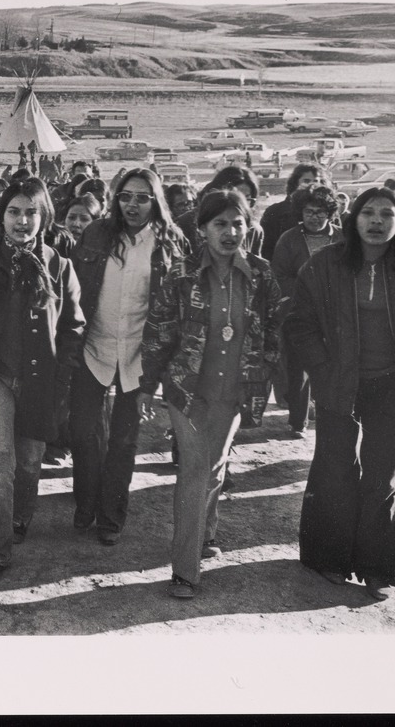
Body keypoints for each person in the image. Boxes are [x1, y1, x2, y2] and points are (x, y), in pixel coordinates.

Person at [288, 187, 395, 601]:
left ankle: (379, 567)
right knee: (334, 468)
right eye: (367, 212)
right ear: (353, 218)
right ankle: (328, 557)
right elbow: (299, 323)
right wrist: (322, 368)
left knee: (384, 473)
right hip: (339, 383)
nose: (376, 221)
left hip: (393, 384)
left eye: (387, 214)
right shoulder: (324, 264)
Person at [140, 189, 282, 598]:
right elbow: (159, 331)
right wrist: (148, 386)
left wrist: (263, 371)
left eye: (238, 223)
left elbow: (274, 329)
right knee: (195, 471)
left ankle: (206, 532)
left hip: (234, 391)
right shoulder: (182, 273)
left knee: (214, 464)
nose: (230, 231)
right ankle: (186, 569)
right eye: (220, 223)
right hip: (189, 392)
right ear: (202, 229)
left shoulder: (262, 273)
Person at [0, 178, 85, 581]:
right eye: (14, 211)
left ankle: (20, 516)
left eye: (31, 212)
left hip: (40, 381)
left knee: (28, 460)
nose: (22, 221)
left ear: (44, 218)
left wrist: (61, 380)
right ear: (2, 215)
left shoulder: (60, 267)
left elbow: (73, 329)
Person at [69, 167, 187, 545]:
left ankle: (111, 516)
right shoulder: (97, 233)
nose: (132, 204)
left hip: (139, 356)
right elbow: (73, 289)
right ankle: (85, 505)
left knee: (123, 441)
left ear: (156, 201)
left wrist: (161, 369)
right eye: (125, 196)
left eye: (142, 197)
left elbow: (176, 310)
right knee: (84, 433)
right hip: (92, 348)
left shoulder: (170, 242)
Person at [270, 185, 341, 437]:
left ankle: (329, 417)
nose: (315, 217)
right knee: (298, 369)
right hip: (300, 313)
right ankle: (297, 422)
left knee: (331, 367)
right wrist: (307, 292)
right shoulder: (289, 239)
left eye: (321, 212)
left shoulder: (343, 238)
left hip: (336, 316)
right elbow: (279, 274)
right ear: (301, 212)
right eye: (309, 211)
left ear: (330, 213)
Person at [175, 166, 264, 258]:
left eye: (247, 199)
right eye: (234, 197)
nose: (240, 205)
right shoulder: (185, 223)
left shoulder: (254, 230)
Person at [259, 163, 324, 261]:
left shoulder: (327, 211)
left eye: (315, 181)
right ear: (295, 183)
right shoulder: (275, 211)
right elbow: (266, 250)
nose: (311, 185)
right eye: (306, 181)